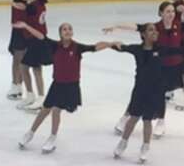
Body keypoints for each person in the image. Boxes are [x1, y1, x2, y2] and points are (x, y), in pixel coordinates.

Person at [110, 23, 184, 163]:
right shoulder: (136, 49)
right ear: (143, 35)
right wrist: (112, 43)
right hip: (140, 90)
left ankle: (145, 146)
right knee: (133, 118)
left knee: (147, 120)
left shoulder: (162, 50)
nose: (155, 32)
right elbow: (120, 48)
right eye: (151, 30)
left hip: (155, 90)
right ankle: (123, 142)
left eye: (155, 30)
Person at [106, 2, 184, 136]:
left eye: (173, 12)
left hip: (175, 66)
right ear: (161, 13)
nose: (171, 14)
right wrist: (117, 26)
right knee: (142, 93)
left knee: (161, 95)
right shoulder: (155, 28)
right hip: (157, 67)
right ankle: (125, 118)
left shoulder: (180, 26)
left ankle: (160, 122)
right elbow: (136, 27)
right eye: (168, 11)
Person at [16, 21, 117, 154]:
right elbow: (41, 36)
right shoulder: (55, 46)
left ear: (72, 32)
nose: (67, 31)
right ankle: (30, 133)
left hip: (71, 86)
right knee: (45, 110)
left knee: (56, 110)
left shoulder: (77, 47)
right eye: (64, 29)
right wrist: (27, 26)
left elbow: (94, 47)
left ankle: (52, 138)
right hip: (57, 84)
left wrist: (110, 44)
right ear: (60, 33)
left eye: (69, 29)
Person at [17, 0, 50, 111]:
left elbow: (22, 1)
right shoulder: (40, 4)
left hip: (37, 41)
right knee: (25, 67)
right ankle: (31, 95)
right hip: (35, 40)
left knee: (35, 69)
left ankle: (40, 98)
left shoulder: (34, 6)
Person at [6, 0, 33, 101]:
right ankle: (17, 86)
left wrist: (14, 4)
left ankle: (16, 86)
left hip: (20, 30)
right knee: (19, 59)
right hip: (19, 29)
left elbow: (24, 6)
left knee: (18, 60)